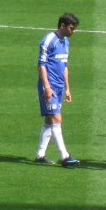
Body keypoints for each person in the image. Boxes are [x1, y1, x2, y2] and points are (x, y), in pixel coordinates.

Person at [34, 14, 81, 167]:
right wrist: (47, 87)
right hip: (49, 86)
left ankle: (40, 155)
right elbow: (41, 65)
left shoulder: (65, 42)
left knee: (49, 119)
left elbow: (64, 66)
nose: (73, 31)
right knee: (56, 118)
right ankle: (65, 157)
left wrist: (67, 88)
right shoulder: (48, 40)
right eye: (71, 28)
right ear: (62, 25)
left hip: (59, 87)